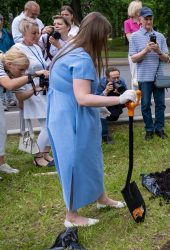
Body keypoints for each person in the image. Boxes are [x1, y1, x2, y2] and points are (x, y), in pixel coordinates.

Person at [47, 12, 137, 227]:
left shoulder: (70, 46)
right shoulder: (81, 58)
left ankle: (101, 197)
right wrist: (119, 99)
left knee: (91, 154)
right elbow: (83, 97)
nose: (105, 42)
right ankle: (72, 215)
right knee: (73, 161)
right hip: (70, 116)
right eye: (105, 37)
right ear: (97, 36)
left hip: (68, 111)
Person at [0, 48, 47, 177]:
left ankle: (2, 164)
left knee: (3, 131)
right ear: (10, 64)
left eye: (25, 70)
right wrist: (34, 75)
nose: (23, 73)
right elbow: (9, 85)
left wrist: (35, 88)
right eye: (21, 70)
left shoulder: (13, 73)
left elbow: (20, 98)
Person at [13, 19, 53, 167]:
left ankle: (44, 153)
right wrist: (38, 73)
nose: (37, 36)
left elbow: (41, 63)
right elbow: (17, 71)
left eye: (38, 32)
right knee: (48, 124)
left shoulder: (36, 47)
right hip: (30, 89)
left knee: (50, 123)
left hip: (42, 89)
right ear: (24, 32)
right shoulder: (17, 48)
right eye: (33, 33)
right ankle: (37, 156)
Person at [129, 7, 169, 140]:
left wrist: (158, 50)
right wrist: (146, 50)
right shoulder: (135, 37)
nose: (148, 21)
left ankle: (159, 128)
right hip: (144, 77)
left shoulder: (160, 36)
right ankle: (149, 129)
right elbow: (133, 58)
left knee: (160, 104)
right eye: (146, 19)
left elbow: (167, 59)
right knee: (145, 104)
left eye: (150, 19)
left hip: (159, 77)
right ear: (140, 20)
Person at [96, 66, 128, 144]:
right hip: (105, 103)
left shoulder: (121, 81)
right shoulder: (101, 83)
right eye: (114, 78)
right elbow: (97, 100)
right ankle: (105, 136)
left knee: (114, 117)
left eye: (118, 77)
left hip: (116, 104)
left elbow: (127, 95)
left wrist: (120, 93)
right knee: (101, 112)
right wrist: (106, 91)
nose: (116, 80)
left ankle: (112, 116)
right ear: (107, 78)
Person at [124, 0, 142, 89]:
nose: (141, 11)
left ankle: (145, 97)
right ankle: (135, 97)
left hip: (144, 52)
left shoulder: (144, 21)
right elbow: (130, 39)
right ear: (134, 10)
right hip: (134, 52)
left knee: (144, 76)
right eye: (139, 9)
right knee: (135, 77)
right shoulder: (127, 22)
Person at [0, 13, 16, 111]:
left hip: (8, 60)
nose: (0, 22)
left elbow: (13, 46)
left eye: (1, 20)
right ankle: (2, 102)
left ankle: (10, 99)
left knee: (9, 78)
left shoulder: (8, 33)